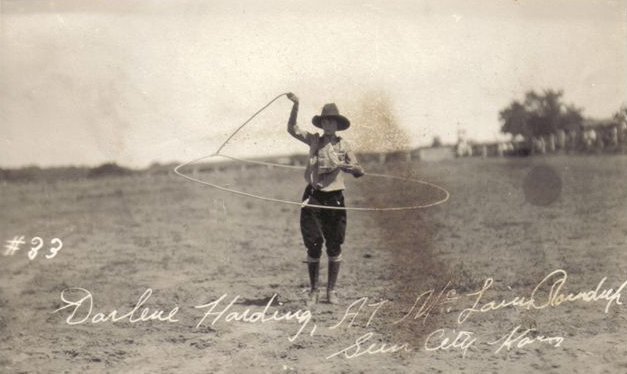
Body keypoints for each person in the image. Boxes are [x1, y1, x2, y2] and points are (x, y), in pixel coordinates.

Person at [286, 92, 364, 305]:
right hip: (313, 197)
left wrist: (352, 168)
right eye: (326, 121)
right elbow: (292, 129)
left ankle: (331, 291)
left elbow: (359, 171)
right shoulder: (313, 140)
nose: (329, 124)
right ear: (321, 123)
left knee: (335, 245)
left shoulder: (344, 146)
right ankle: (313, 291)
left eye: (333, 121)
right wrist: (296, 105)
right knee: (313, 244)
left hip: (335, 199)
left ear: (338, 125)